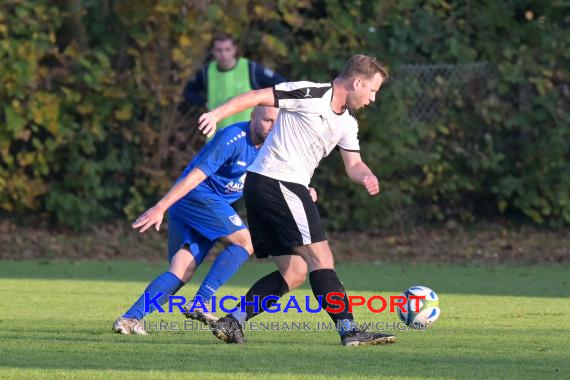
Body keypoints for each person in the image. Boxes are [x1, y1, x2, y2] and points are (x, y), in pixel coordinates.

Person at [196, 54, 396, 347]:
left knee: (295, 271)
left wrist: (367, 176)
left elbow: (354, 164)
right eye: (372, 90)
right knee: (321, 258)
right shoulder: (310, 93)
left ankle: (233, 321)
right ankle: (349, 331)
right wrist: (216, 114)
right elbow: (255, 96)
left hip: (263, 185)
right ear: (356, 82)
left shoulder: (347, 124)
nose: (373, 99)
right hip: (279, 182)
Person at [112, 106, 279, 335]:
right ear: (252, 117)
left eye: (276, 122)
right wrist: (161, 206)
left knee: (182, 270)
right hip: (198, 197)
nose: (272, 127)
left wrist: (303, 189)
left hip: (200, 206)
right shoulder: (232, 137)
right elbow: (196, 175)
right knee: (245, 242)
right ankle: (201, 301)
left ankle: (129, 319)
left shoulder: (272, 145)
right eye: (267, 120)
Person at [182, 32, 286, 131]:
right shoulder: (206, 71)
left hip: (247, 135)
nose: (223, 54)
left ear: (234, 49)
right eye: (219, 50)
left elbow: (282, 86)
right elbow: (188, 92)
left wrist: (267, 110)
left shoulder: (251, 68)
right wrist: (204, 103)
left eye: (227, 49)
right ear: (213, 51)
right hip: (217, 135)